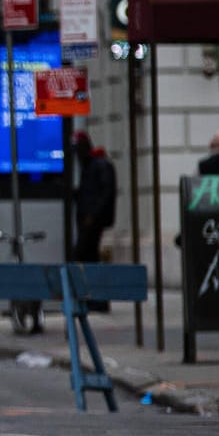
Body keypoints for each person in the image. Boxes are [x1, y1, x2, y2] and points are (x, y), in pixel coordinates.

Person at [73, 132, 119, 312]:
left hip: (93, 221)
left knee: (85, 255)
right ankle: (94, 298)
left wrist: (93, 215)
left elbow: (105, 193)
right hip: (89, 220)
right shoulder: (91, 165)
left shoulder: (99, 164)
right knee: (87, 257)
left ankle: (98, 299)